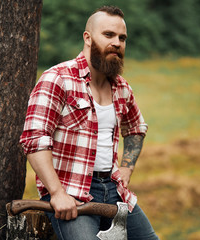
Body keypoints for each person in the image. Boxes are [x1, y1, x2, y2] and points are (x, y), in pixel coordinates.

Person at [20, 5, 159, 240]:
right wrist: (56, 193)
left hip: (115, 191)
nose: (117, 43)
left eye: (122, 38)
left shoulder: (121, 87)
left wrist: (126, 167)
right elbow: (34, 141)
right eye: (108, 35)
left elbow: (136, 128)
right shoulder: (57, 79)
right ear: (87, 37)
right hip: (72, 193)